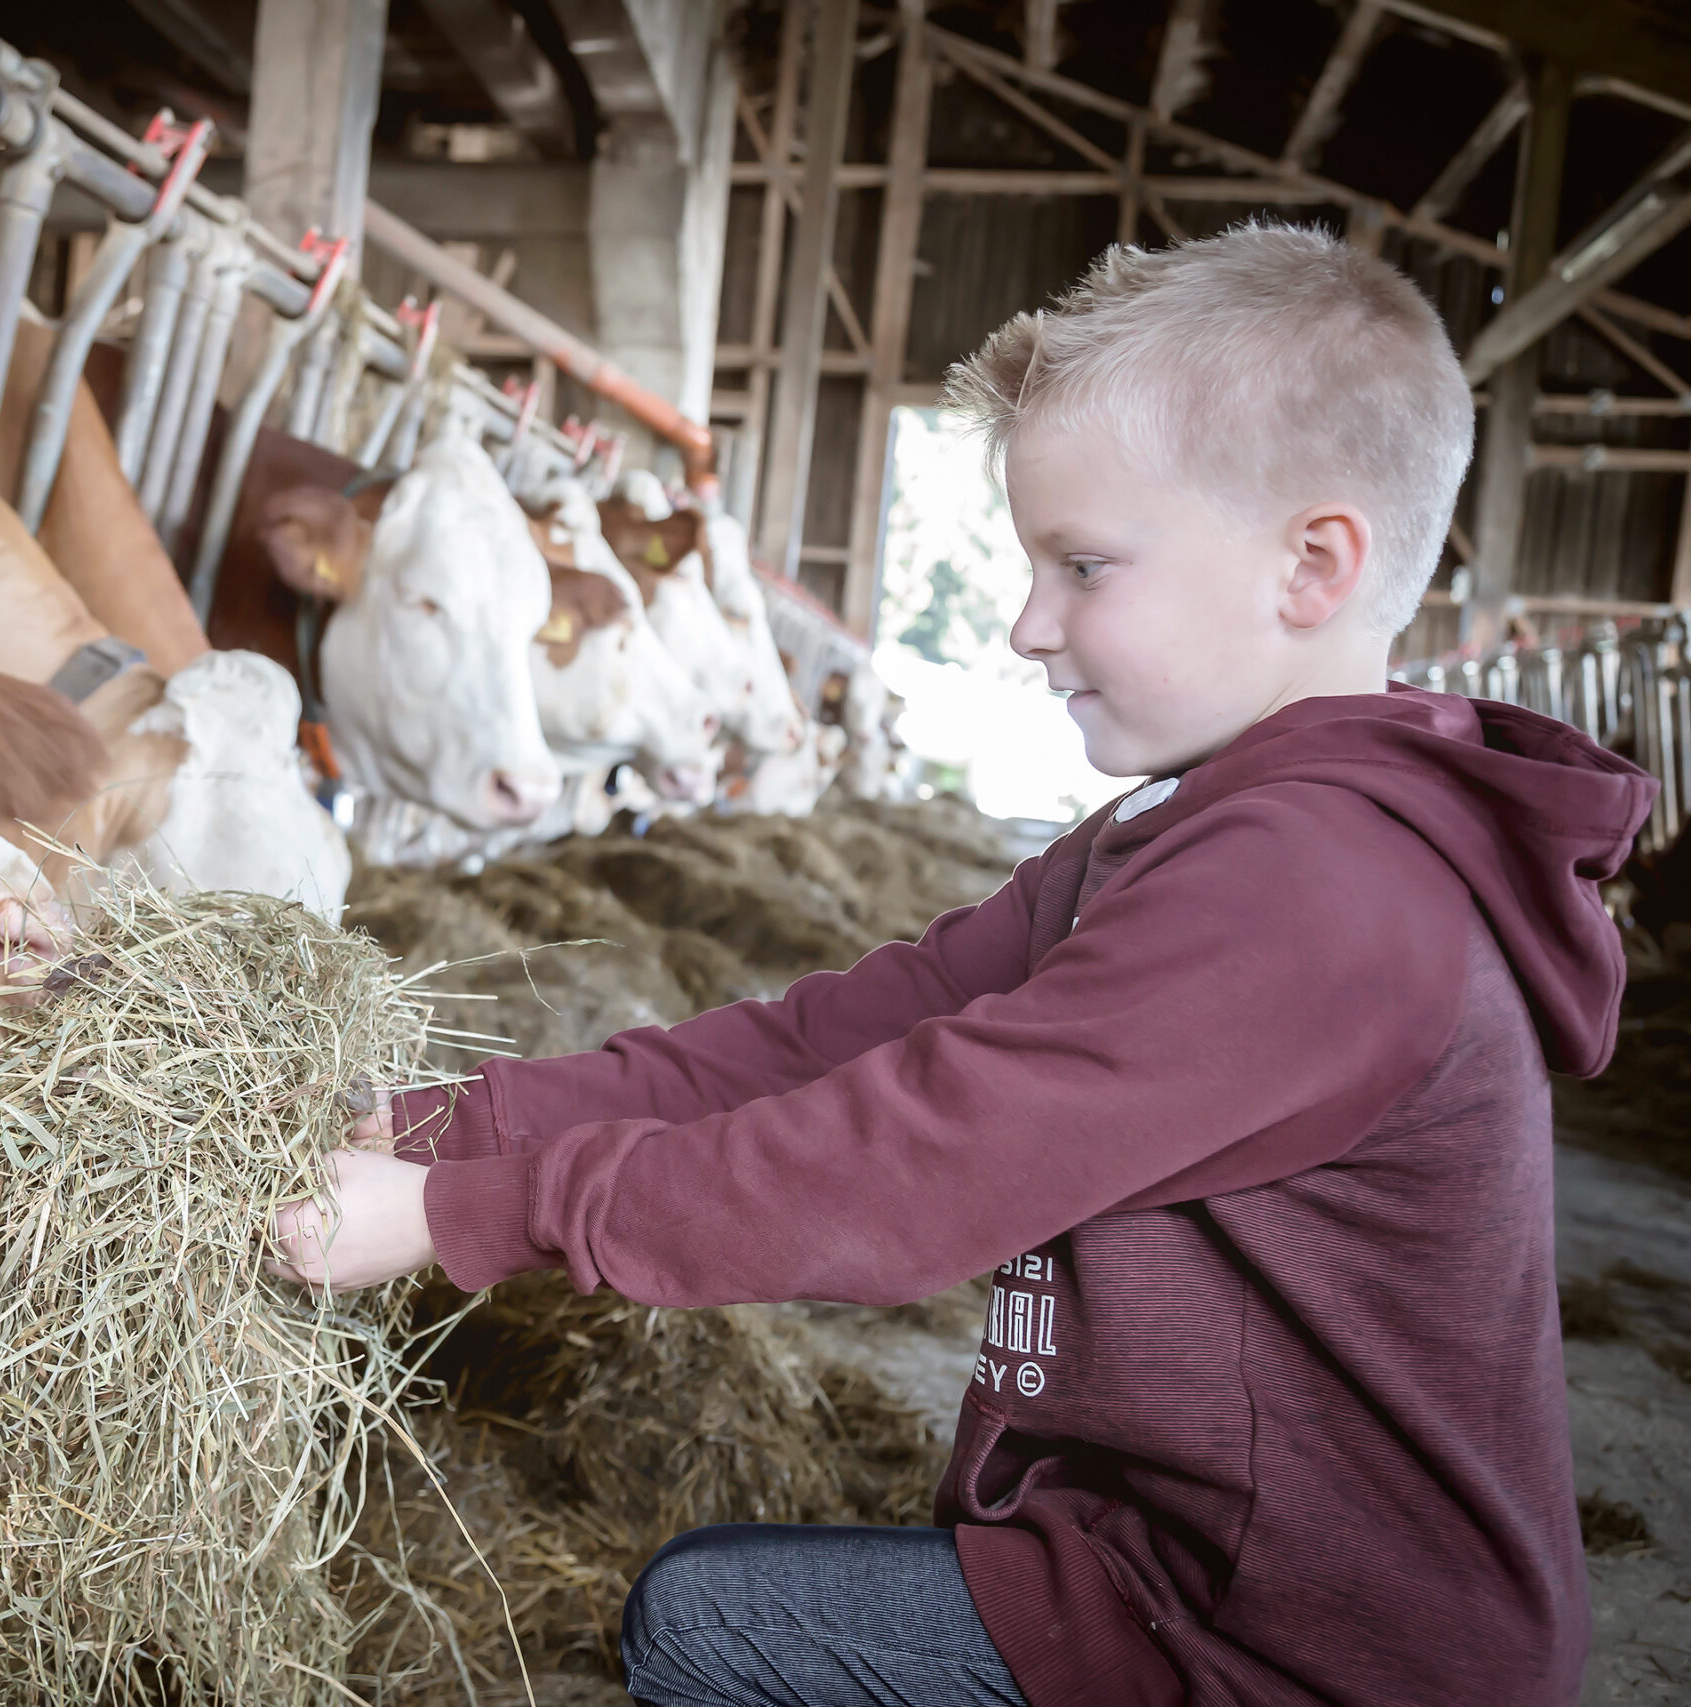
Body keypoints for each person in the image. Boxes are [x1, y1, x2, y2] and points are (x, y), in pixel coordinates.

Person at [269, 223, 1652, 1707]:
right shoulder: (1182, 829)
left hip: (1295, 1654)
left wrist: (460, 1217)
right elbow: (840, 1039)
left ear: (1312, 566)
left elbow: (898, 1162)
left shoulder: (1317, 892)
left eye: (1085, 567)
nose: (1025, 625)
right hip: (1174, 1564)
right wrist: (443, 1127)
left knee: (711, 1624)